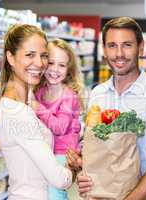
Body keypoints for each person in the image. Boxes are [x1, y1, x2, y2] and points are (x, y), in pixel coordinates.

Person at [67, 17, 146, 200]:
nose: (119, 53)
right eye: (112, 45)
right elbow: (96, 150)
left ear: (141, 48)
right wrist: (81, 166)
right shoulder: (98, 94)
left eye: (127, 45)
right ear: (104, 50)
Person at [0, 24, 75, 200]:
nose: (39, 63)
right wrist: (74, 169)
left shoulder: (27, 99)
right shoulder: (17, 112)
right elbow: (59, 179)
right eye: (30, 55)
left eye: (44, 56)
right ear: (11, 57)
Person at [29, 38, 83, 200]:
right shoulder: (39, 91)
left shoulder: (68, 96)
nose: (55, 69)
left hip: (63, 152)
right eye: (51, 63)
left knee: (55, 191)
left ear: (69, 69)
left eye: (62, 65)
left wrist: (38, 108)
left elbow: (60, 127)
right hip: (46, 149)